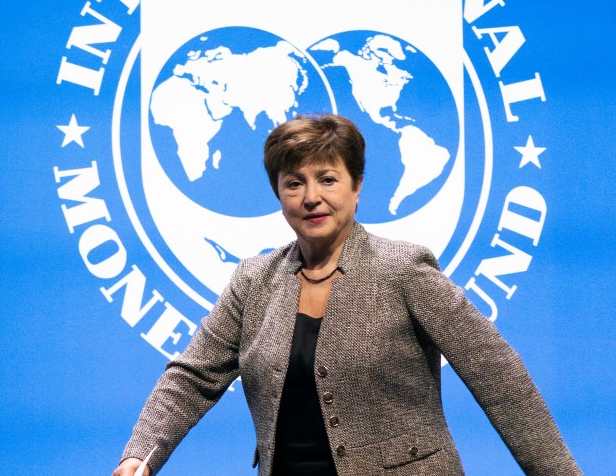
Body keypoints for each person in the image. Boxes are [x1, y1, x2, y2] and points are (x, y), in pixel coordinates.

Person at [112, 114, 579, 476]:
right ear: (279, 195)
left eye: (327, 179)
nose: (311, 197)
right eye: (294, 183)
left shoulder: (405, 270)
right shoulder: (253, 280)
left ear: (357, 187)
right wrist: (141, 456)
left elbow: (498, 375)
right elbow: (190, 377)